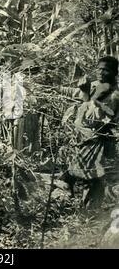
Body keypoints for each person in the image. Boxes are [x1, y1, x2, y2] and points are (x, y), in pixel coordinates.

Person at [63, 56, 119, 209]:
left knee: (93, 178)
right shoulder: (97, 85)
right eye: (99, 68)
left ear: (114, 73)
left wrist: (86, 94)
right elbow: (77, 94)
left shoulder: (114, 95)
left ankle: (91, 216)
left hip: (96, 141)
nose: (100, 72)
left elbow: (95, 119)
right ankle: (82, 211)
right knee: (79, 177)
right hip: (84, 140)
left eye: (105, 69)